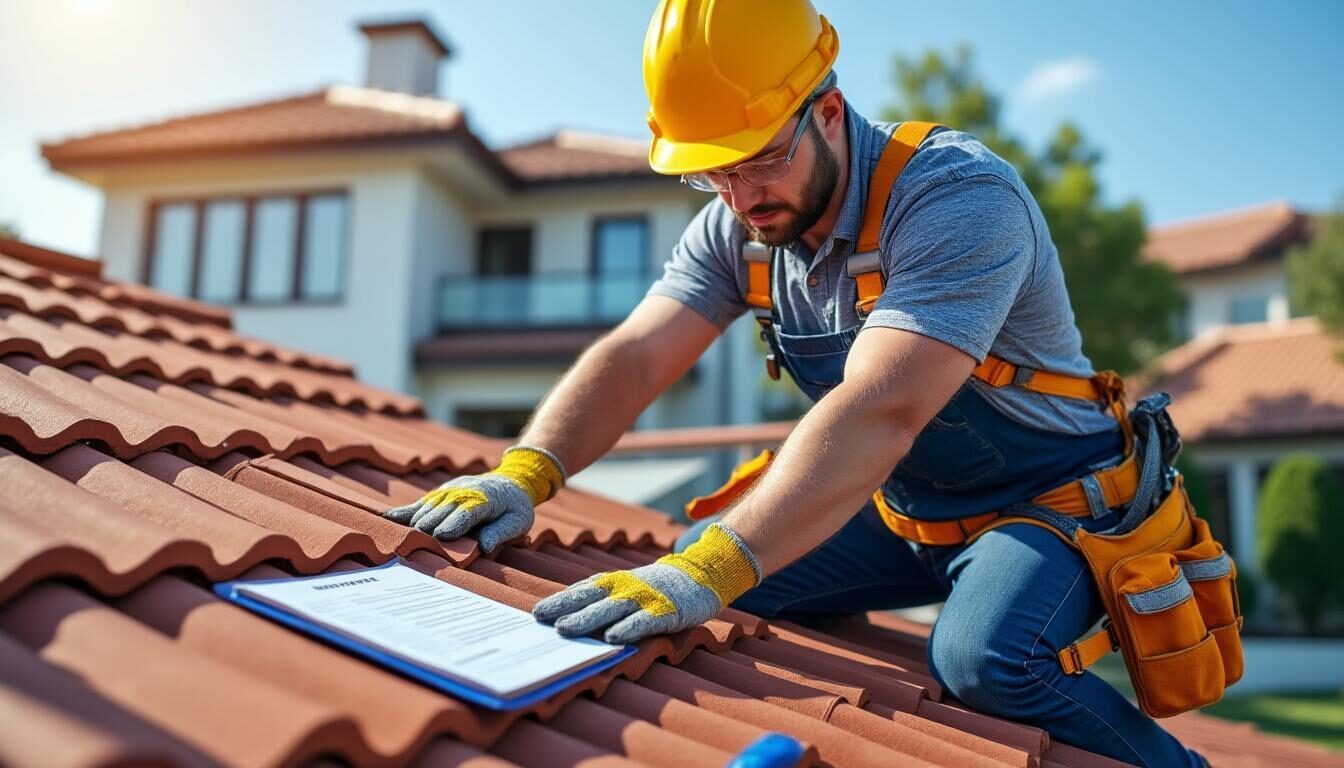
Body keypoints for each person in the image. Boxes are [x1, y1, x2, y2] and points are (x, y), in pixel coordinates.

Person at [386, 1, 1208, 764]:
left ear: (828, 111)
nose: (741, 198)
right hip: (905, 510)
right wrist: (529, 471)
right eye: (713, 174)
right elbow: (639, 354)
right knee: (688, 576)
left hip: (1054, 508)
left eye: (761, 161)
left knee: (984, 661)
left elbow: (882, 408)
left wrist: (716, 569)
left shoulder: (957, 197)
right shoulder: (736, 226)